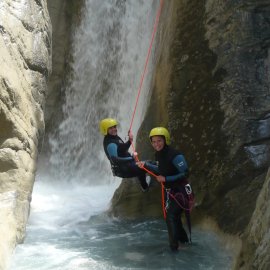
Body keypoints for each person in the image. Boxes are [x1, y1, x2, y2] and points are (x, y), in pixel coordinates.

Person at [137, 127, 194, 251]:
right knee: (175, 217)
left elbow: (185, 173)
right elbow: (162, 170)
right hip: (172, 191)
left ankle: (174, 248)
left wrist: (166, 179)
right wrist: (146, 165)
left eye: (159, 141)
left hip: (182, 191)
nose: (156, 144)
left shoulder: (175, 155)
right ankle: (184, 242)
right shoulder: (159, 154)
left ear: (165, 140)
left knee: (171, 217)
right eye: (154, 141)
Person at [99, 118, 150, 192]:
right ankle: (145, 187)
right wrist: (131, 158)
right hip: (123, 169)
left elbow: (122, 148)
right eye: (110, 128)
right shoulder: (111, 144)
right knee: (146, 166)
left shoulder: (114, 137)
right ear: (105, 130)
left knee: (141, 167)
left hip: (126, 166)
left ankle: (143, 183)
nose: (114, 129)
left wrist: (130, 140)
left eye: (114, 127)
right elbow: (115, 160)